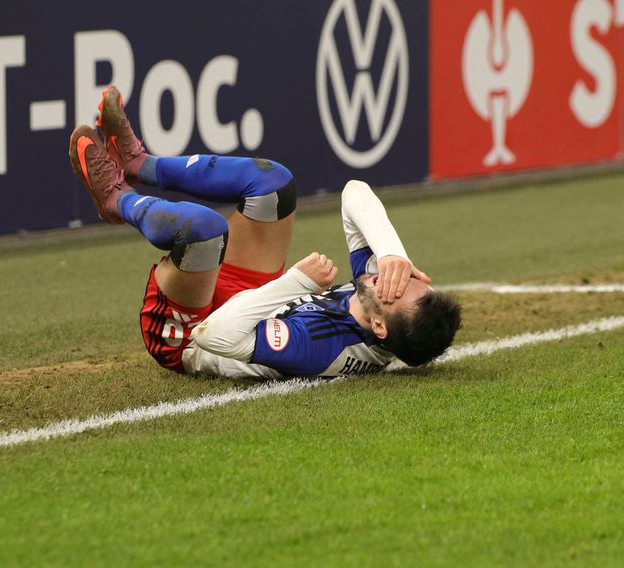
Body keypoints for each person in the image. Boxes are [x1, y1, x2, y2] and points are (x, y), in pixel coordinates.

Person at [68, 86, 461, 378]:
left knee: (204, 229)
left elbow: (214, 335)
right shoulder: (379, 291)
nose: (391, 278)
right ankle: (139, 162)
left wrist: (295, 283)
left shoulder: (319, 349)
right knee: (274, 184)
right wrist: (394, 252)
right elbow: (354, 193)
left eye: (395, 287)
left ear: (378, 327)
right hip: (248, 302)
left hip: (187, 334)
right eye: (410, 276)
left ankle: (116, 199)